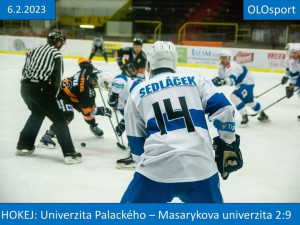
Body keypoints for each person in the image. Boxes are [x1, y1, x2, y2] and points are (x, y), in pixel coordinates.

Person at [120, 41, 243, 203]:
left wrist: (140, 167)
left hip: (157, 170)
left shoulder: (137, 92)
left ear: (149, 65)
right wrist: (228, 142)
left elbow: (136, 141)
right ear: (174, 64)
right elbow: (225, 108)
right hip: (201, 167)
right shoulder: (196, 79)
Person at [16, 30, 82, 164]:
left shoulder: (34, 49)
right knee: (59, 118)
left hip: (25, 87)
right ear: (58, 42)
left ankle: (24, 145)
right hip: (40, 89)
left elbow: (24, 70)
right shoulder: (56, 54)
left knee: (37, 114)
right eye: (61, 43)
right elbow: (56, 80)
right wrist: (55, 97)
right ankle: (70, 154)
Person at [39, 58, 112, 148]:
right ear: (98, 80)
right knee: (68, 115)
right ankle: (47, 137)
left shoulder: (88, 70)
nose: (103, 86)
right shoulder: (86, 92)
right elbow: (87, 111)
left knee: (89, 109)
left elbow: (81, 60)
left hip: (74, 94)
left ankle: (93, 126)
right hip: (61, 95)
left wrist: (91, 67)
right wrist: (101, 111)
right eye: (104, 84)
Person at [212, 50, 269, 125]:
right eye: (221, 58)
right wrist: (217, 80)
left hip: (247, 82)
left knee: (234, 97)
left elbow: (232, 81)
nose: (222, 59)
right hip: (242, 84)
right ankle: (263, 115)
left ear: (229, 58)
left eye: (224, 58)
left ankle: (244, 117)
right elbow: (222, 77)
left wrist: (222, 82)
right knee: (249, 102)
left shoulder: (233, 67)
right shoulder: (221, 66)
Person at [99, 72, 142, 168]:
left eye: (105, 84)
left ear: (107, 80)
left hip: (142, 98)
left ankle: (135, 157)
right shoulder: (120, 99)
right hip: (139, 105)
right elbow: (128, 115)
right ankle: (136, 153)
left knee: (137, 128)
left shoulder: (117, 79)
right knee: (137, 127)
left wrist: (114, 95)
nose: (106, 88)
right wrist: (122, 125)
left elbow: (120, 81)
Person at [284, 43, 300, 120]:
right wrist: (291, 86)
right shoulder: (292, 62)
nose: (293, 54)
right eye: (292, 52)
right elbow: (294, 75)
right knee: (298, 89)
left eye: (295, 52)